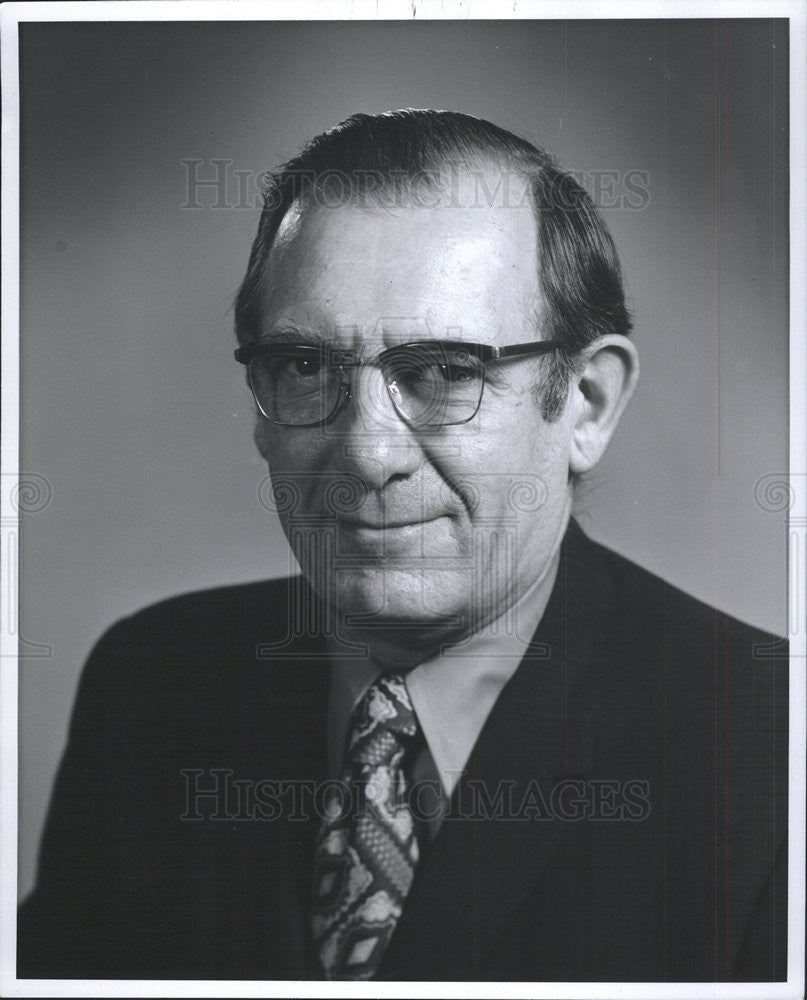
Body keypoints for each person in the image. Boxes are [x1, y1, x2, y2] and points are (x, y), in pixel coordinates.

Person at [18, 109, 787, 982]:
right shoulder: (154, 683)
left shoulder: (764, 748)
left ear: (586, 404)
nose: (368, 455)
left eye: (444, 372)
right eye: (306, 367)